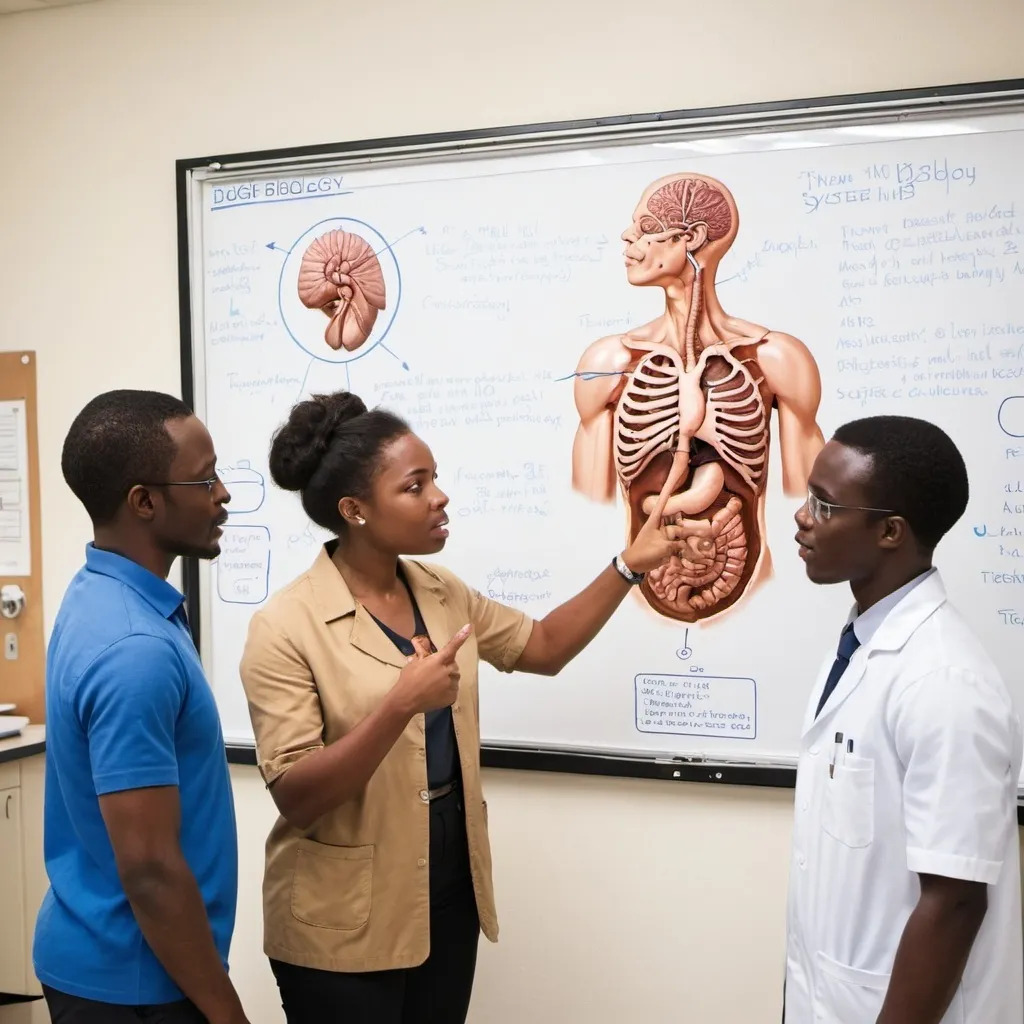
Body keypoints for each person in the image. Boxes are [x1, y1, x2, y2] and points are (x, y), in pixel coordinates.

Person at [238, 389, 683, 1024]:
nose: (439, 497)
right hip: (339, 918)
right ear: (354, 510)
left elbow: (546, 646)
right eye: (415, 486)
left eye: (435, 479)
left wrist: (627, 566)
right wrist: (399, 706)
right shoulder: (285, 625)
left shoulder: (439, 590)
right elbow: (297, 794)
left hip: (446, 891)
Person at [785, 414, 1023, 1024]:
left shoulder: (945, 682)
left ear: (890, 531)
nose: (802, 517)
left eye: (825, 505)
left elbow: (956, 903)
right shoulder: (863, 646)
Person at [33, 390, 248, 1024]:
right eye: (205, 479)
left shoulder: (98, 591)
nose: (224, 494)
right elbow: (150, 869)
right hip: (134, 982)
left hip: (109, 960)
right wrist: (225, 1011)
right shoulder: (135, 650)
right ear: (144, 501)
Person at [570, 171, 824, 625]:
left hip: (756, 599)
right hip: (632, 602)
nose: (627, 236)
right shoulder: (607, 362)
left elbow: (809, 502)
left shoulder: (775, 357)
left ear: (691, 237)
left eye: (646, 227)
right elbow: (584, 512)